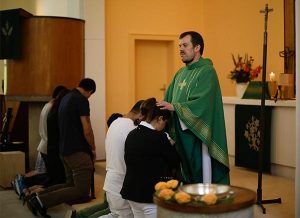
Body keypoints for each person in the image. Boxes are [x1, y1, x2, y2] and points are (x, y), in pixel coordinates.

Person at [156, 31, 230, 184]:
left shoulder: (207, 71)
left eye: (185, 45)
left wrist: (175, 107)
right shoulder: (180, 73)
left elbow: (203, 103)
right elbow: (168, 99)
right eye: (179, 46)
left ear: (197, 48)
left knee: (202, 174)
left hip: (197, 135)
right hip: (180, 134)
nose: (181, 49)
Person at [27, 78, 96, 217]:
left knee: (70, 184)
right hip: (77, 151)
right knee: (82, 190)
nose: (89, 97)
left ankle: (36, 197)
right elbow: (87, 129)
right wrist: (93, 148)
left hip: (64, 150)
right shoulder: (81, 100)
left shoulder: (65, 97)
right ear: (89, 91)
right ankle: (41, 200)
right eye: (91, 94)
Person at [121, 97, 180, 218]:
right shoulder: (159, 137)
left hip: (132, 192)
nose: (164, 126)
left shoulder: (132, 133)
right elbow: (174, 160)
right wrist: (170, 145)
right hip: (150, 195)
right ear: (159, 119)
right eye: (165, 122)